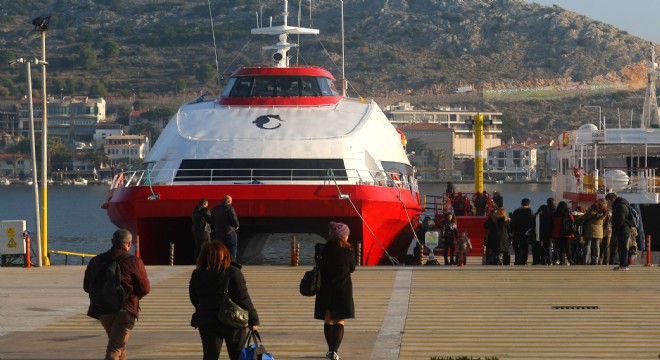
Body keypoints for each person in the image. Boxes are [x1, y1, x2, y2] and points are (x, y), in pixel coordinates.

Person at [83, 229, 151, 360]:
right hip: (125, 311)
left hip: (103, 310)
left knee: (119, 345)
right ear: (129, 243)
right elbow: (145, 288)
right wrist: (133, 298)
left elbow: (87, 287)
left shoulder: (96, 261)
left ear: (112, 242)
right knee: (114, 350)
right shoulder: (133, 262)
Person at [189, 241, 259, 360]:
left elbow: (194, 298)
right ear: (225, 254)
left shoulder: (197, 274)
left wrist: (205, 308)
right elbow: (243, 298)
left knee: (210, 356)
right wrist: (253, 319)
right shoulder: (233, 272)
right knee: (237, 355)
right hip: (233, 321)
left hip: (207, 322)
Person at [314, 221, 356, 360]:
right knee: (339, 321)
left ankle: (330, 349)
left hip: (326, 289)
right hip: (343, 289)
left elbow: (320, 266)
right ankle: (335, 351)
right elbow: (352, 268)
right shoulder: (349, 250)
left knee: (328, 321)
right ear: (343, 236)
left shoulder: (324, 249)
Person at [605, 193, 633, 270]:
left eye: (608, 201)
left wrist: (615, 229)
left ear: (612, 199)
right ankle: (623, 265)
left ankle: (624, 265)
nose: (608, 203)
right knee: (621, 247)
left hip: (622, 230)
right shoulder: (620, 204)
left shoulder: (620, 206)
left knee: (623, 247)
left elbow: (620, 219)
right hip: (623, 229)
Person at [576, 199, 607, 265]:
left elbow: (584, 218)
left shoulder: (591, 211)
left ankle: (585, 260)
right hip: (599, 231)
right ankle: (596, 260)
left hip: (589, 229)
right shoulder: (604, 212)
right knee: (596, 245)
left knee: (587, 244)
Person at [212, 195, 240, 261]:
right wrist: (237, 225)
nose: (231, 203)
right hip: (229, 231)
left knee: (220, 248)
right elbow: (234, 218)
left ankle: (220, 262)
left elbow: (212, 220)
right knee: (232, 247)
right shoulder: (229, 208)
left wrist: (216, 227)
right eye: (231, 201)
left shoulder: (216, 208)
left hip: (218, 232)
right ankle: (232, 262)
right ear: (228, 201)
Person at [510, 198, 535, 265]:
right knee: (525, 247)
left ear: (521, 203)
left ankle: (517, 259)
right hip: (527, 233)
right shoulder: (531, 212)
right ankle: (524, 261)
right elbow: (533, 223)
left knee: (516, 246)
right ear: (529, 204)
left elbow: (512, 223)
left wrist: (511, 231)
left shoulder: (516, 211)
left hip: (517, 232)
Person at [552, 201, 574, 266]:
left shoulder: (555, 214)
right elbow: (573, 222)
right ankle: (570, 260)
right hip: (567, 234)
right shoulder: (568, 214)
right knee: (568, 247)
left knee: (559, 248)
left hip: (557, 233)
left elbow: (553, 223)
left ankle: (560, 260)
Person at [536, 198, 556, 265]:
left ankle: (542, 260)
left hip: (540, 232)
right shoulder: (554, 211)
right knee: (549, 247)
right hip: (550, 232)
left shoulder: (541, 211)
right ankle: (549, 259)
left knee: (542, 247)